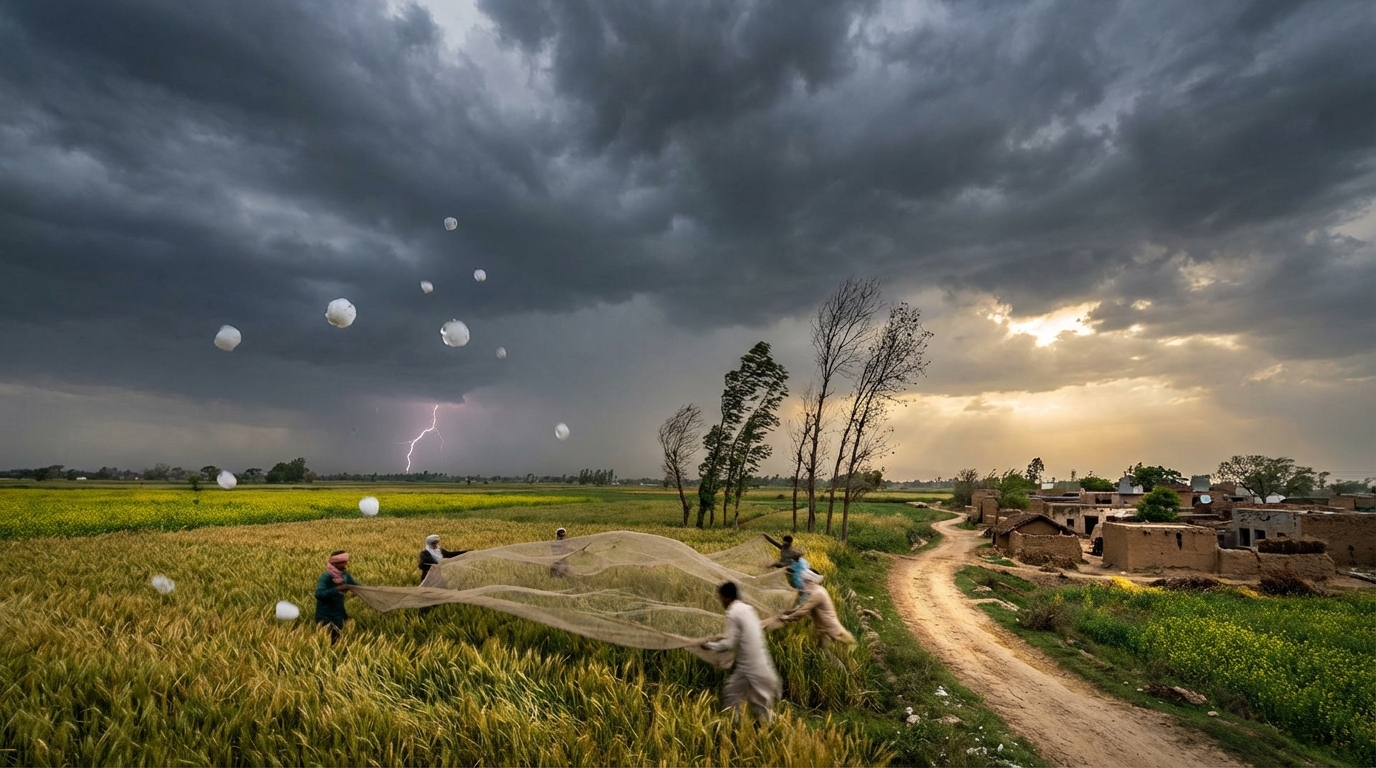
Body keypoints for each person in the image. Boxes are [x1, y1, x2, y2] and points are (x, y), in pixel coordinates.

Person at [702, 581, 781, 723]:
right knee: (738, 695)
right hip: (759, 663)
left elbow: (729, 643)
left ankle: (734, 726)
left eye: (721, 598)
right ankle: (736, 725)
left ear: (727, 598)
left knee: (748, 702)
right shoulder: (748, 609)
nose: (721, 602)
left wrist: (708, 645)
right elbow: (743, 635)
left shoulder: (733, 612)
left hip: (750, 667)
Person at [771, 570, 854, 646]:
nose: (804, 584)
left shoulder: (817, 594)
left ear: (812, 581)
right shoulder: (817, 591)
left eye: (807, 581)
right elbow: (802, 607)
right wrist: (788, 612)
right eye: (804, 581)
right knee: (823, 652)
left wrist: (787, 617)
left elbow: (803, 611)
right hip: (824, 631)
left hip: (833, 633)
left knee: (846, 649)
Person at [315, 550, 358, 644]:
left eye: (345, 562)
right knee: (330, 640)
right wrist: (337, 589)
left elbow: (355, 586)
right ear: (335, 563)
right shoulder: (326, 577)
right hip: (325, 614)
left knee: (339, 638)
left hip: (339, 613)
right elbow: (319, 594)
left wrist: (359, 590)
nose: (345, 564)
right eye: (342, 563)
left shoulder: (344, 575)